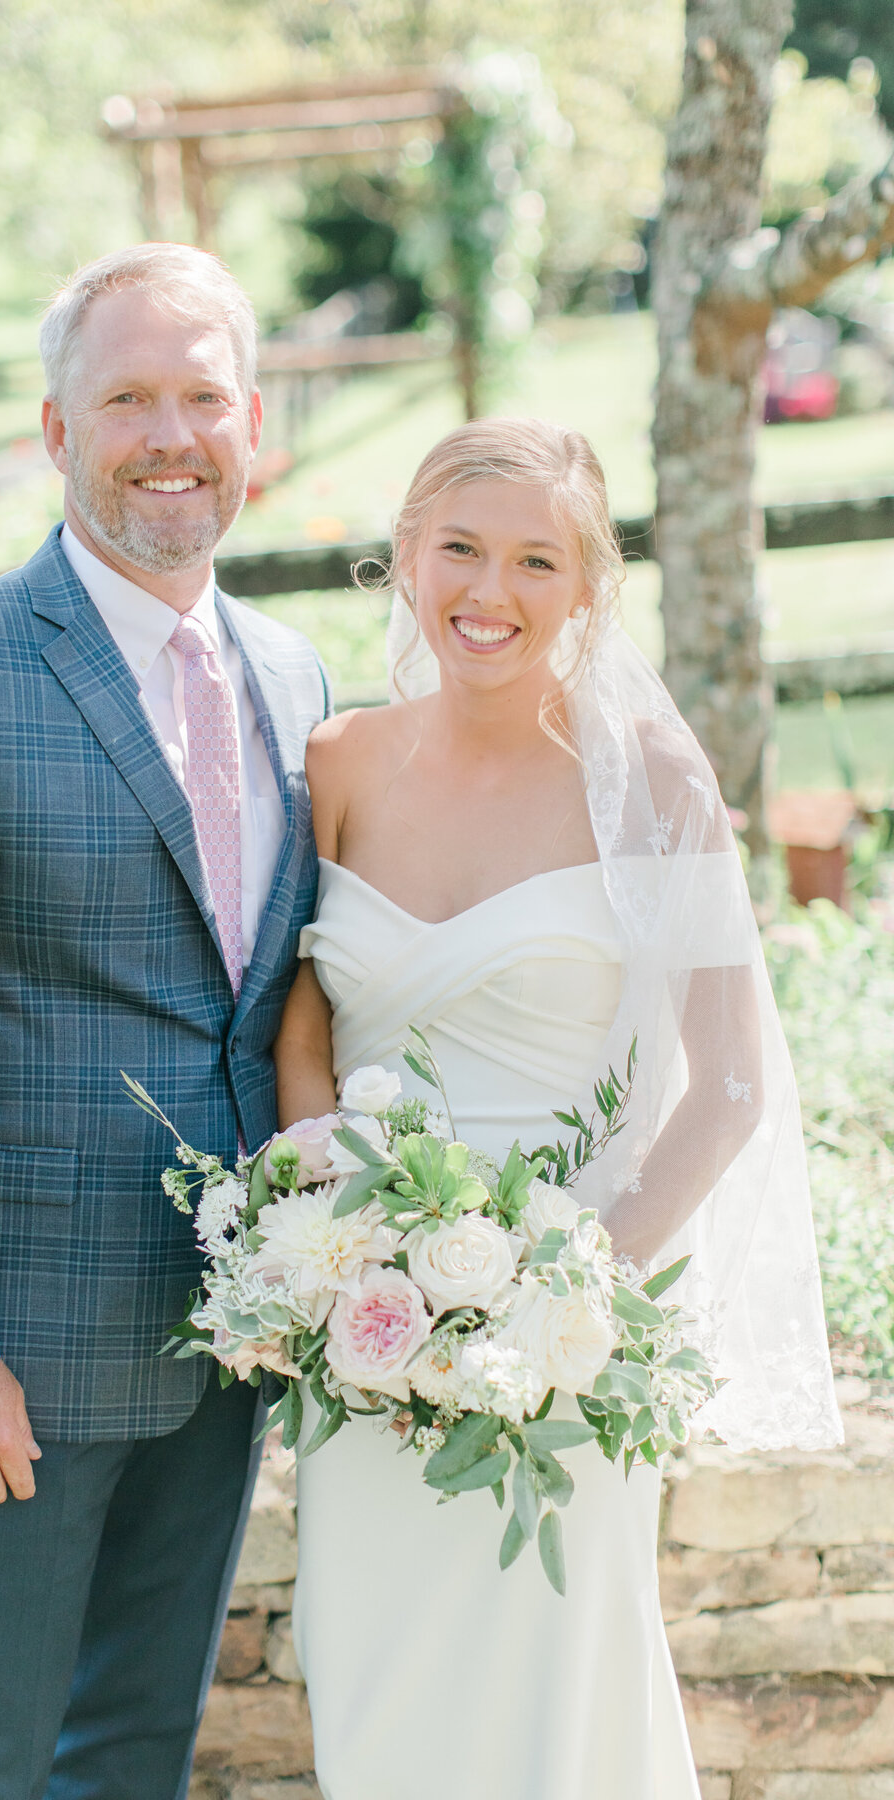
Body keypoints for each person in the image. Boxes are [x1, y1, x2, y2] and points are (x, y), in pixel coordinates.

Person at [0, 242, 329, 1800]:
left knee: (134, 1757)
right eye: (128, 397)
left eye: (205, 397)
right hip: (13, 1354)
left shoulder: (291, 675)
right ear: (54, 431)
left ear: (252, 427)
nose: (172, 433)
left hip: (224, 1334)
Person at [273, 416, 841, 1800]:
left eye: (540, 560)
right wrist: (329, 1223)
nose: (493, 591)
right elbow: (305, 1029)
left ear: (588, 591)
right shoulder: (335, 765)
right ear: (404, 557)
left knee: (557, 1688)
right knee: (380, 1682)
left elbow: (733, 1086)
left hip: (570, 1343)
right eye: (461, 547)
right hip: (365, 1332)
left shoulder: (652, 783)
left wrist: (567, 1297)